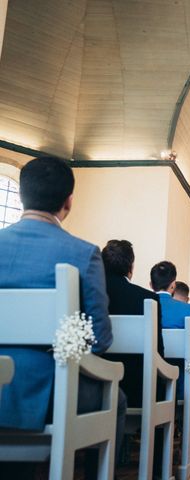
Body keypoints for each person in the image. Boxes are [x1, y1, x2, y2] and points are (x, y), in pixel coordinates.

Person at [0, 157, 126, 477]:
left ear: (21, 196)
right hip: (50, 387)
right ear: (68, 200)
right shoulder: (82, 253)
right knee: (118, 400)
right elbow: (100, 337)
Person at [150, 261, 190, 427]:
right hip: (180, 385)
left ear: (151, 284)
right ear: (172, 286)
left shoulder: (140, 304)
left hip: (147, 383)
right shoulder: (188, 310)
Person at [102, 239, 165, 407]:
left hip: (94, 382)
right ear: (130, 268)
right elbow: (158, 350)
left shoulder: (84, 291)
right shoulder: (147, 298)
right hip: (136, 389)